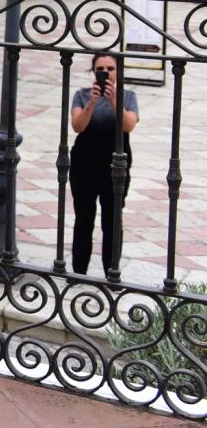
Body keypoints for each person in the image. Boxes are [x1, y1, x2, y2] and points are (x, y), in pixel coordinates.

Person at [69, 52, 139, 276]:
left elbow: (129, 125)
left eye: (110, 69)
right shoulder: (82, 95)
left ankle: (112, 271)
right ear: (93, 71)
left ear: (118, 72)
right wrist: (93, 102)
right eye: (101, 69)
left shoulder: (128, 96)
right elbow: (77, 126)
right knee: (83, 218)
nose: (106, 73)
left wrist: (113, 99)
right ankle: (79, 271)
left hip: (115, 163)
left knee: (112, 219)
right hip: (85, 162)